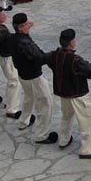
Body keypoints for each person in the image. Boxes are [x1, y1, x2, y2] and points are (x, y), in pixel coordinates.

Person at [46, 29, 91, 159]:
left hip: (63, 93)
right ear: (71, 43)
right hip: (77, 94)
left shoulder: (54, 55)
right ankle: (86, 150)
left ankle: (63, 140)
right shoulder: (75, 60)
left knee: (66, 117)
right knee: (88, 121)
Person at [8, 13, 58, 144]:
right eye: (25, 24)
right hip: (34, 76)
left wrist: (27, 31)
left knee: (29, 98)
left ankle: (24, 121)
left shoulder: (14, 38)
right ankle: (42, 134)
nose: (28, 25)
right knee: (45, 103)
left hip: (23, 74)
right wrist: (54, 55)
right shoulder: (24, 42)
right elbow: (38, 58)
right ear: (20, 27)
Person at [0, 7, 22, 119]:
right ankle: (12, 109)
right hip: (7, 58)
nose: (5, 16)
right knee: (14, 82)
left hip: (6, 57)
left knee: (13, 81)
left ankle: (10, 102)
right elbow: (8, 42)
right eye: (3, 14)